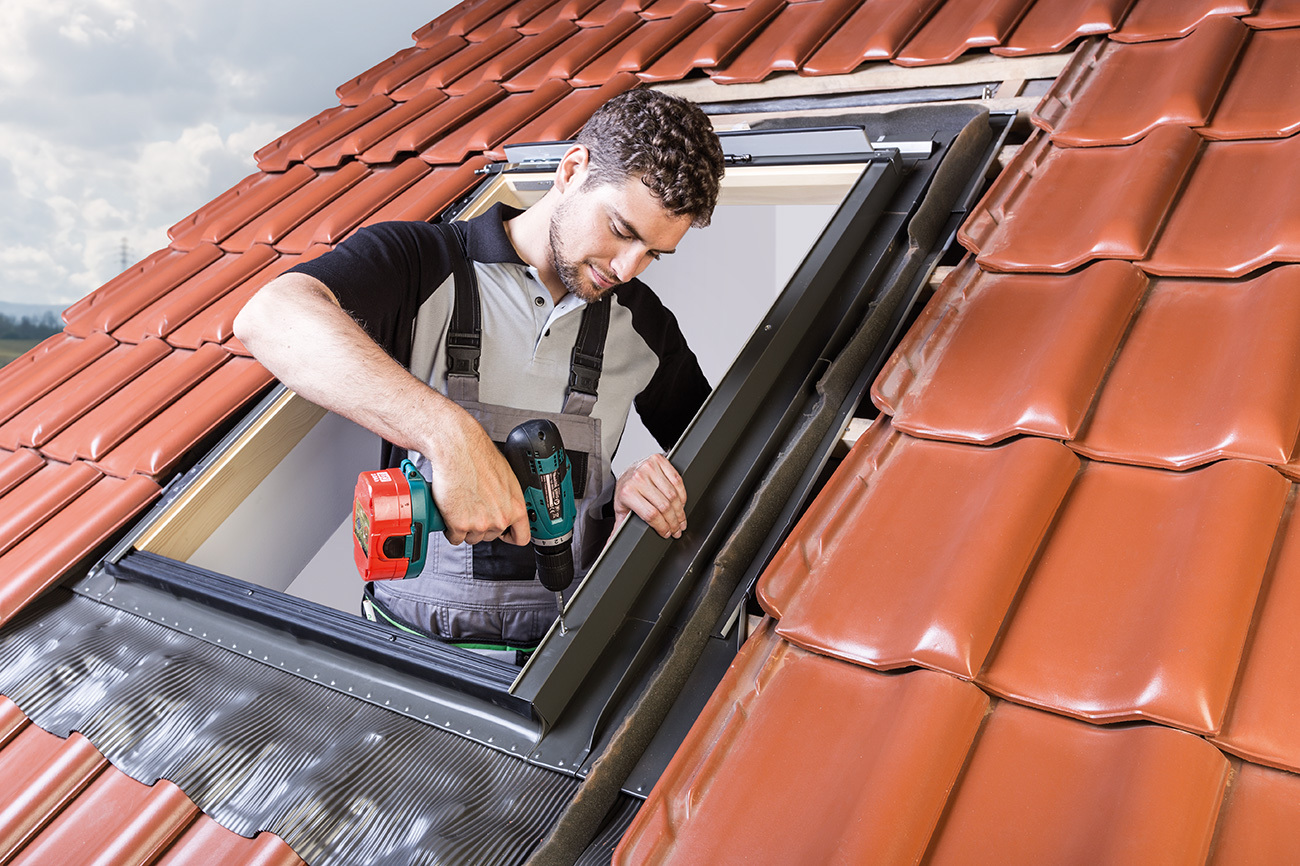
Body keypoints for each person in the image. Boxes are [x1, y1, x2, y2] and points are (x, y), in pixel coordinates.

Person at [233, 89, 725, 649]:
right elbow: (270, 315)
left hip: (556, 665)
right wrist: (448, 434)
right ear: (572, 170)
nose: (627, 268)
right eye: (622, 229)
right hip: (404, 652)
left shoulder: (644, 325)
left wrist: (646, 491)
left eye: (654, 253)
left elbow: (722, 462)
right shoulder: (422, 261)